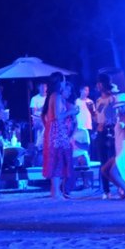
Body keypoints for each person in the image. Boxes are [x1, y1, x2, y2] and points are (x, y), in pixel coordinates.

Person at [42, 72, 78, 200]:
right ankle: (56, 192)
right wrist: (71, 112)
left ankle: (55, 191)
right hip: (57, 132)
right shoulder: (56, 96)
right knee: (57, 160)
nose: (64, 83)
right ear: (59, 82)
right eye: (63, 80)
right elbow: (57, 116)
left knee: (57, 160)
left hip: (56, 131)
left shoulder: (53, 96)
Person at [100, 93, 125, 200]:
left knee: (113, 172)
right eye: (118, 107)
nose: (119, 109)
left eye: (121, 107)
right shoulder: (120, 117)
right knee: (104, 170)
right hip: (120, 147)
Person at [94, 72, 118, 198]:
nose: (98, 85)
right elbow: (97, 117)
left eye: (100, 83)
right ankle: (106, 190)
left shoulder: (113, 98)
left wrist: (108, 124)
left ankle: (120, 186)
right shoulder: (98, 100)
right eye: (97, 83)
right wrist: (92, 113)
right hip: (101, 132)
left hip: (112, 131)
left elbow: (115, 116)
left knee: (114, 159)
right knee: (102, 161)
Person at [29, 82, 48, 160]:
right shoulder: (34, 98)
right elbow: (34, 112)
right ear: (38, 88)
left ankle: (39, 146)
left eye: (45, 87)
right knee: (42, 126)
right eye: (41, 87)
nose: (43, 89)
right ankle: (38, 147)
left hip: (47, 119)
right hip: (38, 119)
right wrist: (42, 109)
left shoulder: (49, 98)